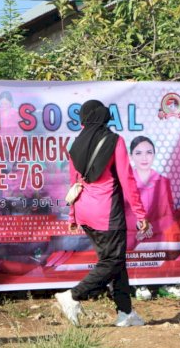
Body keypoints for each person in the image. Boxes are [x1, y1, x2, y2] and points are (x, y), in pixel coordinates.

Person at [55, 100, 149, 327]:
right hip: (106, 212)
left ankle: (125, 313)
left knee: (115, 261)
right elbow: (127, 180)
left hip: (85, 211)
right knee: (113, 260)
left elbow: (73, 183)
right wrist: (140, 212)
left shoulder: (76, 144)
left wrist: (72, 216)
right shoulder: (114, 141)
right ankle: (73, 296)